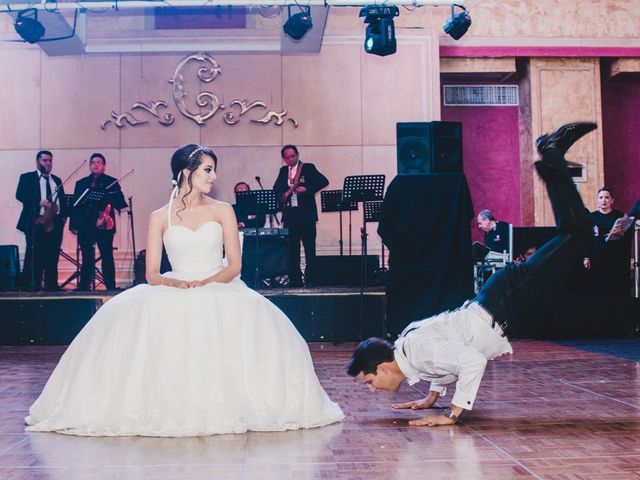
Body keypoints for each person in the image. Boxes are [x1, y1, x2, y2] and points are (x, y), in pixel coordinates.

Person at [25, 144, 343, 436]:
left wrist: (206, 283)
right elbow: (151, 273)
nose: (214, 176)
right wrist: (173, 282)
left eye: (213, 169)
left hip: (218, 283)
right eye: (208, 169)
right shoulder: (157, 217)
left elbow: (234, 266)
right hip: (174, 283)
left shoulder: (223, 211)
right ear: (186, 173)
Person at [347, 122, 597, 427]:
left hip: (507, 300)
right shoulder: (408, 349)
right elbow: (443, 356)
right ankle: (552, 160)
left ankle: (552, 156)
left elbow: (471, 361)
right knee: (574, 234)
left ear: (384, 368)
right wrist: (432, 397)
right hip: (501, 301)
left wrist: (452, 413)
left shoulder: (418, 353)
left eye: (369, 381)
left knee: (578, 234)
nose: (372, 390)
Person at [273, 145, 329, 287]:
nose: (291, 159)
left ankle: (311, 279)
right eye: (287, 157)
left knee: (310, 248)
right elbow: (276, 188)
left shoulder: (308, 167)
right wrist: (288, 190)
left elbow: (324, 181)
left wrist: (307, 189)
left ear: (297, 155)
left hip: (306, 215)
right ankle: (295, 280)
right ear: (284, 159)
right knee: (292, 249)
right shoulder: (283, 170)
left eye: (293, 156)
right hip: (290, 215)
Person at [70, 153, 127, 290]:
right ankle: (84, 287)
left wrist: (116, 198)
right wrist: (74, 225)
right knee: (87, 257)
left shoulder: (111, 182)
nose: (96, 164)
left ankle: (110, 287)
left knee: (107, 255)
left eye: (99, 162)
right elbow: (75, 206)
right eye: (93, 162)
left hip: (104, 224)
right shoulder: (81, 183)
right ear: (90, 165)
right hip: (86, 224)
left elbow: (119, 202)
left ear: (104, 166)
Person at [15, 151, 67, 291]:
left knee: (53, 253)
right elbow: (20, 195)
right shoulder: (28, 177)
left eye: (50, 160)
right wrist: (39, 202)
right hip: (35, 221)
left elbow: (62, 200)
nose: (47, 163)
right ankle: (34, 284)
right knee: (35, 252)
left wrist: (62, 218)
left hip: (54, 222)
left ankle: (52, 285)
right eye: (44, 160)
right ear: (37, 161)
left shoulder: (56, 180)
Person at [583, 187, 633, 298]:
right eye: (601, 197)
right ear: (597, 199)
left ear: (612, 200)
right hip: (597, 257)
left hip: (615, 257)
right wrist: (586, 256)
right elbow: (586, 238)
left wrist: (620, 233)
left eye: (607, 197)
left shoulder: (620, 216)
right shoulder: (591, 217)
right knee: (598, 288)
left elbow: (628, 236)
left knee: (615, 288)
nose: (604, 200)